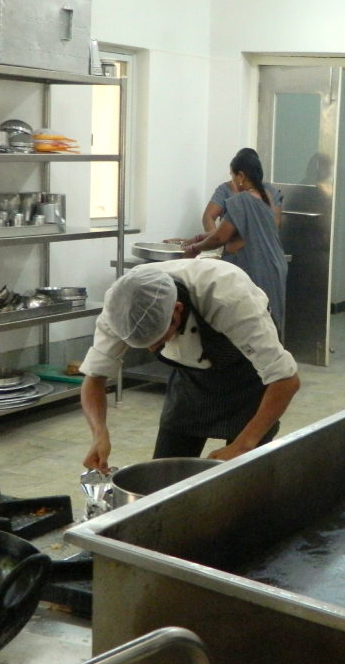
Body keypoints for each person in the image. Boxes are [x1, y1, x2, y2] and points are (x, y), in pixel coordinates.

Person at [79, 259, 300, 466]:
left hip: (248, 379)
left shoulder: (229, 296)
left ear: (177, 309)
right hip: (191, 383)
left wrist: (243, 444)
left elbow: (286, 380)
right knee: (164, 474)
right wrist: (99, 434)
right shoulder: (122, 305)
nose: (153, 349)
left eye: (160, 339)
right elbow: (94, 377)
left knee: (244, 476)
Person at [174, 149, 288, 331]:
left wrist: (194, 249)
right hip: (274, 266)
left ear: (241, 175)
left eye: (233, 176)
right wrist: (191, 239)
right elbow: (228, 231)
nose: (232, 181)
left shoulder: (242, 200)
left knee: (252, 325)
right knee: (270, 323)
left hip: (256, 267)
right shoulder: (266, 197)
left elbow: (221, 236)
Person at [197, 148, 283, 233]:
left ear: (241, 175)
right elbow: (208, 217)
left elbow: (275, 225)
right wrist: (213, 239)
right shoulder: (225, 190)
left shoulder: (268, 192)